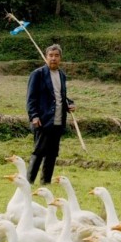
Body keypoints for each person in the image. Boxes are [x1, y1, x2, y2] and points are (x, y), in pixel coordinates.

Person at [26, 44, 74, 185]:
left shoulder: (62, 75)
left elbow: (60, 96)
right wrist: (34, 116)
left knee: (52, 154)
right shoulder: (38, 74)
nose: (53, 58)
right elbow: (31, 98)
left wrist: (69, 104)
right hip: (42, 120)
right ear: (46, 57)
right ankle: (29, 182)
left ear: (60, 58)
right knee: (39, 151)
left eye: (56, 56)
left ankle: (45, 183)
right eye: (51, 56)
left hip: (58, 121)